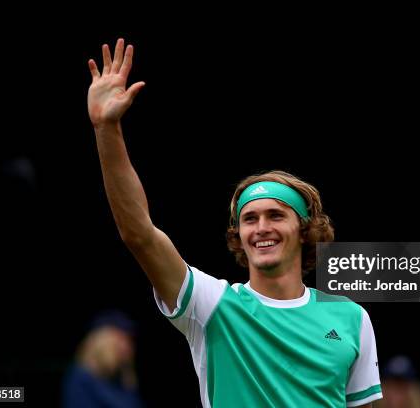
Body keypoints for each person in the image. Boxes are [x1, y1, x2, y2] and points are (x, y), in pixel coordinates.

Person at [87, 38, 382, 407]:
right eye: (249, 219)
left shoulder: (352, 318)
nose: (261, 228)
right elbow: (139, 234)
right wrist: (106, 129)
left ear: (305, 230)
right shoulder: (212, 305)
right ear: (238, 235)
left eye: (276, 215)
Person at [62, 310, 144, 408]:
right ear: (102, 343)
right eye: (120, 339)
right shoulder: (82, 379)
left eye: (128, 340)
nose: (126, 347)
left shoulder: (121, 380)